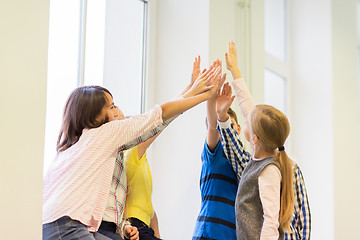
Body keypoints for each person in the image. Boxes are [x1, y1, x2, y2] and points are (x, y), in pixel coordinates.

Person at [42, 66, 224, 240]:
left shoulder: (70, 151)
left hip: (49, 225)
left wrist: (191, 90)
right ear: (94, 115)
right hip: (68, 225)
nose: (118, 111)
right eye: (112, 106)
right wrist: (205, 95)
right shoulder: (104, 133)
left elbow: (155, 121)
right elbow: (158, 116)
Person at [216, 41, 311, 239]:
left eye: (248, 122)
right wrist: (235, 71)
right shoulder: (260, 158)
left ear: (255, 138)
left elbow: (273, 220)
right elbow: (250, 110)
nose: (245, 117)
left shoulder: (270, 169)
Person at [192, 59, 239, 240]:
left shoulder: (245, 159)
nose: (225, 131)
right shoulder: (215, 153)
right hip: (209, 233)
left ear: (239, 129)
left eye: (230, 125)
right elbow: (213, 125)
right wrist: (212, 96)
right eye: (222, 127)